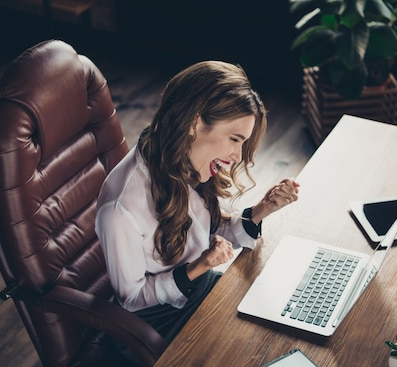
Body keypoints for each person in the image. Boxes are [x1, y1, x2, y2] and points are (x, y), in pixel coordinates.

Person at [95, 60, 299, 344]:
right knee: (257, 341)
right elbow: (132, 301)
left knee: (275, 318)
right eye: (234, 139)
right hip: (151, 326)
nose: (238, 156)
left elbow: (208, 235)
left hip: (195, 292)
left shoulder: (180, 161)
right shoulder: (121, 210)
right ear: (195, 123)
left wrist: (263, 209)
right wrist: (201, 265)